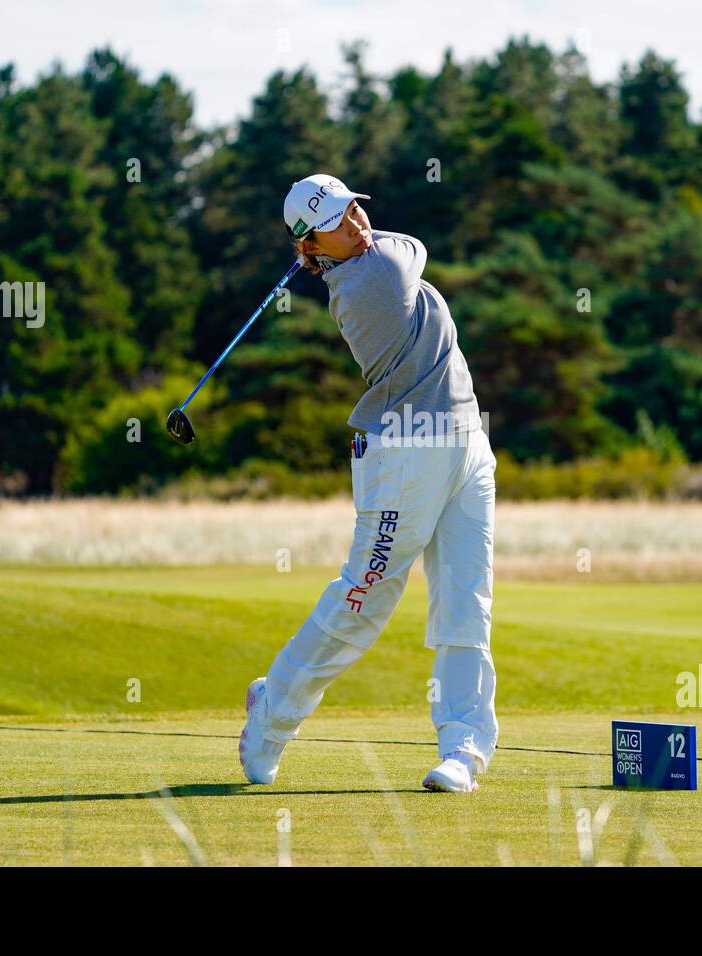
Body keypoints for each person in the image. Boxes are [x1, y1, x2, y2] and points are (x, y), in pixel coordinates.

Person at [238, 173, 498, 793]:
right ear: (313, 247)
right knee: (363, 601)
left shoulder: (357, 258)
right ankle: (272, 715)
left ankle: (463, 747)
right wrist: (336, 247)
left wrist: (322, 243)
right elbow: (414, 244)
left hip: (467, 443)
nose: (356, 221)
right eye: (336, 220)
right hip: (404, 454)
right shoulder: (373, 276)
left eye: (354, 207)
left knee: (468, 602)